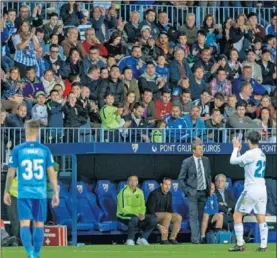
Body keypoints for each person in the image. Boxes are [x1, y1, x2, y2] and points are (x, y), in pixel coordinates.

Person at [3, 120, 59, 258]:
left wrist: (6, 191)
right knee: (39, 223)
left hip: (24, 192)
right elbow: (51, 172)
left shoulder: (18, 149)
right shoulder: (45, 150)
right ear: (38, 132)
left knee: (24, 223)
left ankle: (30, 254)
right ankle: (37, 254)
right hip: (40, 192)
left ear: (25, 130)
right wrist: (56, 192)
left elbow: (11, 173)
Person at [229, 130, 268, 252]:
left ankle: (240, 244)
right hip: (262, 189)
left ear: (248, 141)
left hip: (251, 189)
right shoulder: (261, 153)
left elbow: (233, 161)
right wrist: (240, 151)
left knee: (237, 214)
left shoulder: (251, 153)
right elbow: (242, 163)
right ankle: (263, 246)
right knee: (260, 217)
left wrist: (235, 148)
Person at [178, 139, 212, 244]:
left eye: (202, 149)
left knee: (200, 216)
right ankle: (195, 239)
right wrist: (187, 191)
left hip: (204, 192)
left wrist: (209, 188)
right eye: (199, 149)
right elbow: (181, 178)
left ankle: (199, 237)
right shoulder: (187, 162)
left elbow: (208, 175)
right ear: (193, 150)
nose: (201, 151)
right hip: (192, 192)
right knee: (193, 215)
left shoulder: (206, 160)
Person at [116, 175, 158, 246]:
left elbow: (143, 206)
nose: (133, 183)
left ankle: (142, 238)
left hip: (138, 215)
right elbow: (124, 208)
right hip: (123, 215)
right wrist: (137, 214)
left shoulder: (140, 192)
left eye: (135, 181)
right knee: (134, 218)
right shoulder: (123, 192)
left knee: (154, 219)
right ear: (128, 182)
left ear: (137, 182)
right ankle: (130, 240)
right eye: (131, 181)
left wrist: (142, 214)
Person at [146, 177, 182, 245]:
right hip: (153, 215)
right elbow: (150, 211)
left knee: (178, 217)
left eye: (169, 185)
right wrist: (157, 224)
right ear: (161, 184)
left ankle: (172, 238)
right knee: (167, 215)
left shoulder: (169, 194)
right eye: (166, 184)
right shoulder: (154, 194)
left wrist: (174, 217)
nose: (167, 187)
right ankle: (164, 239)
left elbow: (169, 209)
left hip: (165, 216)